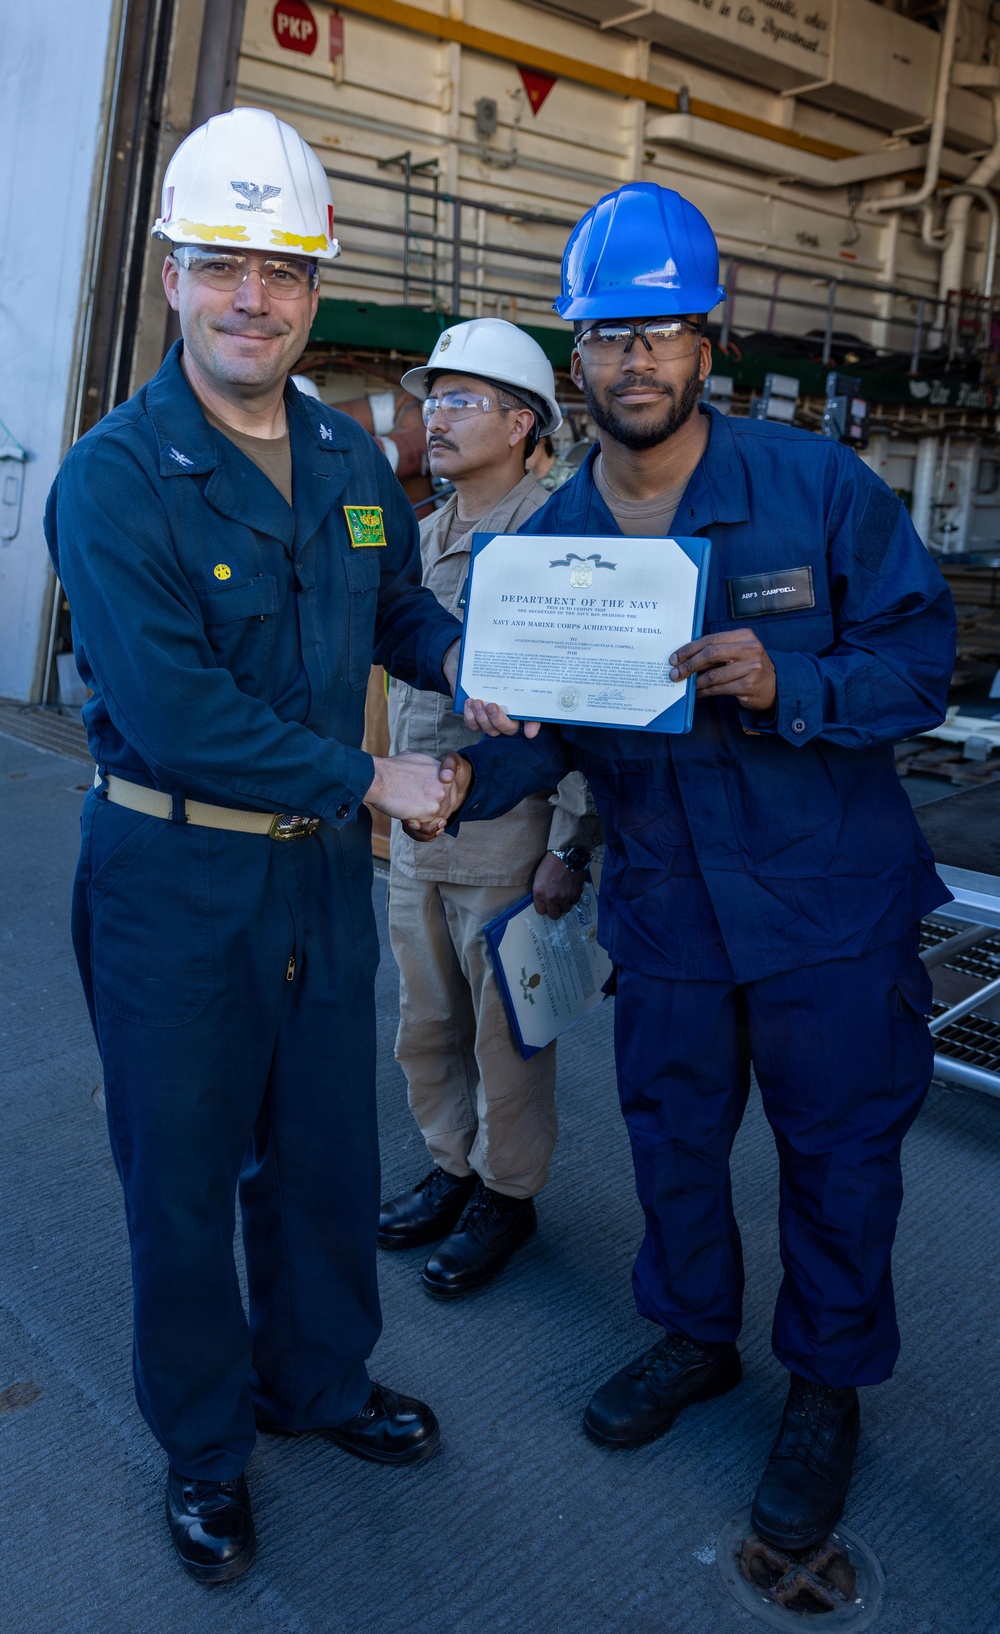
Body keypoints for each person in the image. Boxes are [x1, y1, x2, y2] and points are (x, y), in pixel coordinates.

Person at [414, 182, 957, 1553]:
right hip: (664, 907)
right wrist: (474, 769)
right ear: (578, 356)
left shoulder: (814, 487)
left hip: (829, 907)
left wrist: (794, 676)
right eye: (610, 335)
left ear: (706, 341)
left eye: (665, 330)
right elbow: (544, 733)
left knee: (838, 1162)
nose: (638, 359)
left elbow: (921, 663)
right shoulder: (540, 545)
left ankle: (826, 1387)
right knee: (672, 1142)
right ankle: (694, 1334)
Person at [43, 107, 518, 1586]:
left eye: (285, 269)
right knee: (182, 1176)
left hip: (316, 866)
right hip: (176, 878)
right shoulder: (117, 476)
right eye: (226, 264)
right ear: (175, 276)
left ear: (314, 290)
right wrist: (380, 771)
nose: (257, 296)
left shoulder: (340, 445)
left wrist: (474, 654)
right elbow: (178, 709)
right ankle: (205, 1446)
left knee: (319, 1152)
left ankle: (315, 1382)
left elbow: (394, 612)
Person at [379, 319, 601, 1298]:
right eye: (432, 399)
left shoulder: (559, 536)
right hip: (414, 831)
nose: (436, 417)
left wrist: (570, 846)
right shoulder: (421, 530)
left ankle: (506, 1194)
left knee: (507, 1032)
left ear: (522, 422)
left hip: (510, 834)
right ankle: (451, 1165)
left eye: (460, 400)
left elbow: (590, 703)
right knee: (425, 1018)